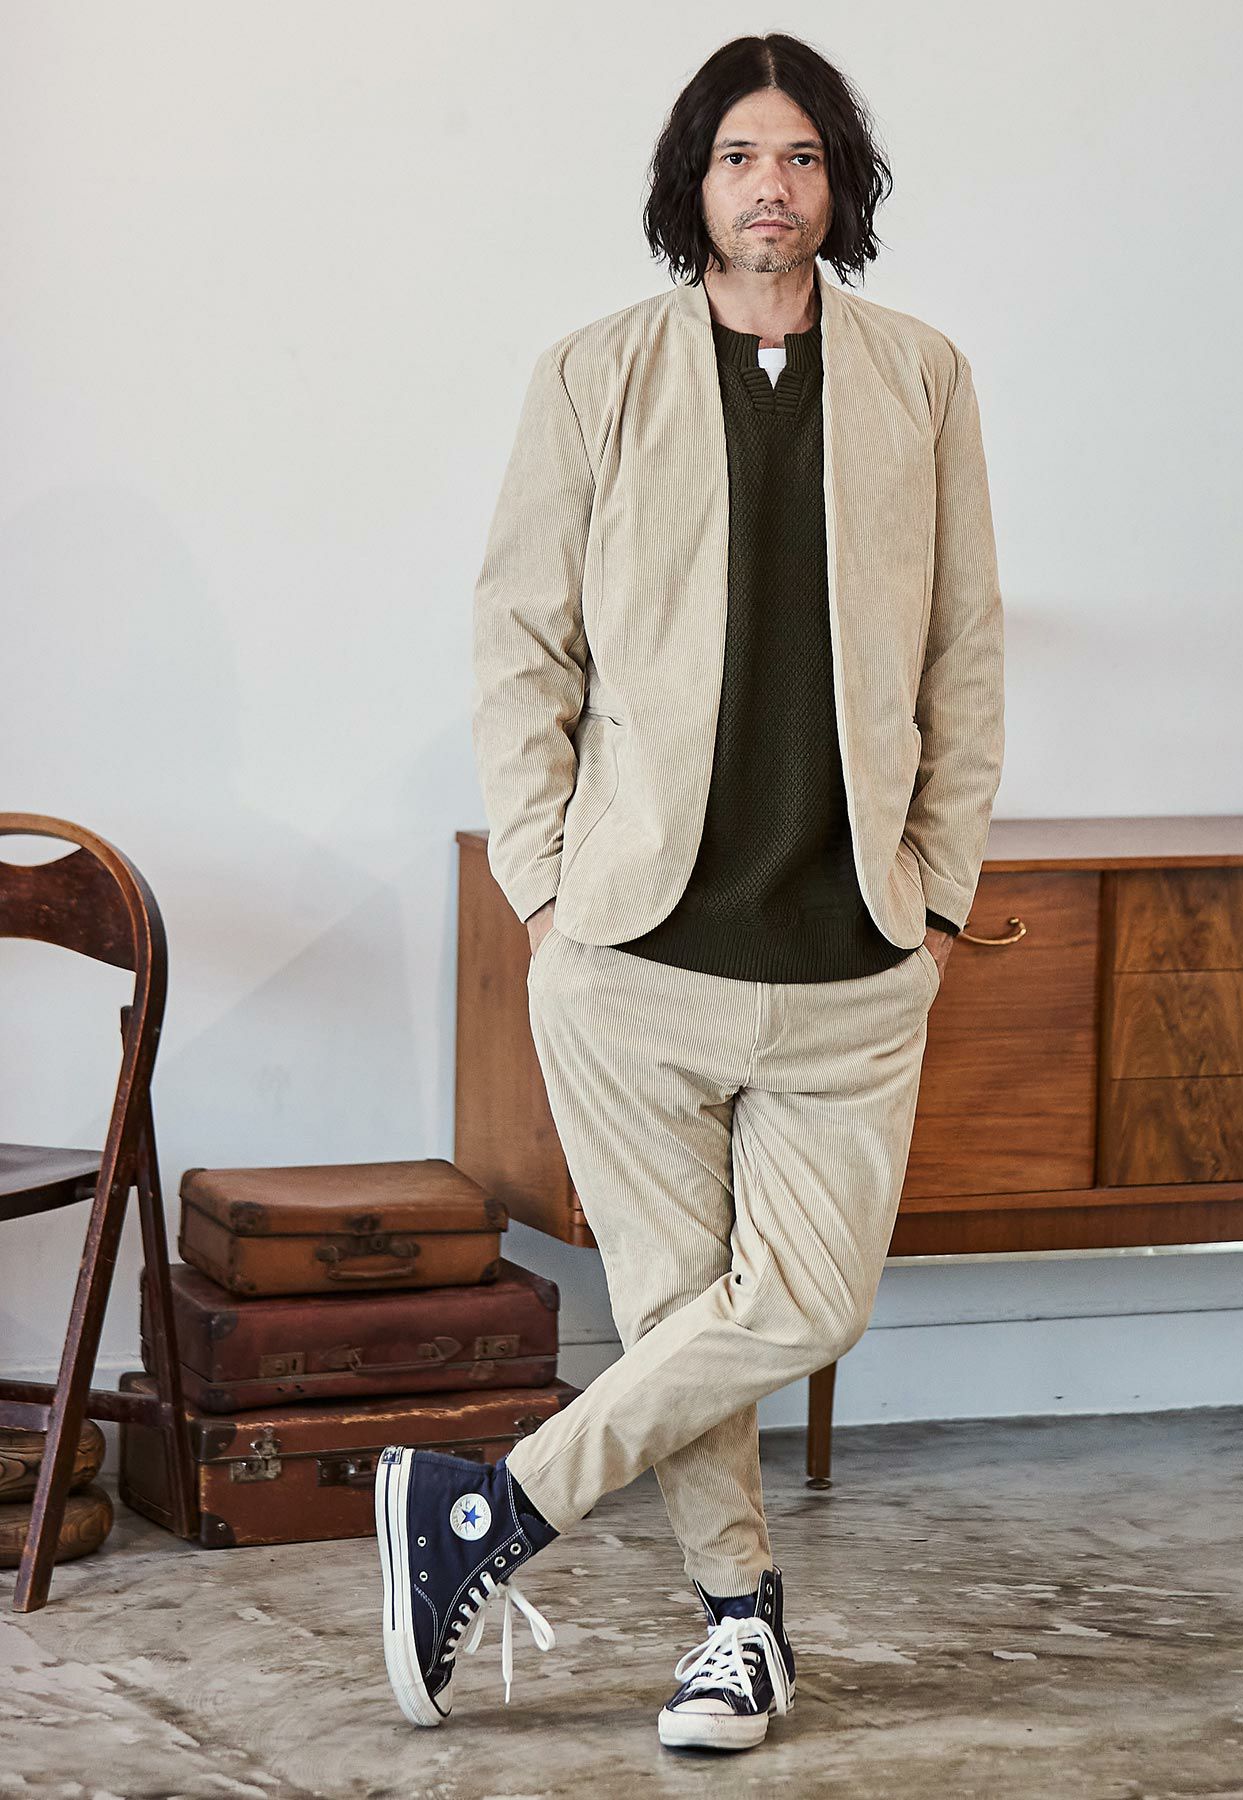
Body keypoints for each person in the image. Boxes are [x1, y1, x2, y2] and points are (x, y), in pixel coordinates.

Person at [375, 30, 1005, 1753]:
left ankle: (487, 1509)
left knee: (804, 1302)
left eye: (799, 156)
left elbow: (966, 652)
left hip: (853, 948)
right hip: (633, 947)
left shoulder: (924, 377)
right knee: (676, 1310)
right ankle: (739, 1628)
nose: (769, 187)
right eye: (739, 156)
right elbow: (521, 642)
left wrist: (941, 901)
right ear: (694, 183)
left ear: (838, 183)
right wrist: (542, 890)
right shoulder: (594, 374)